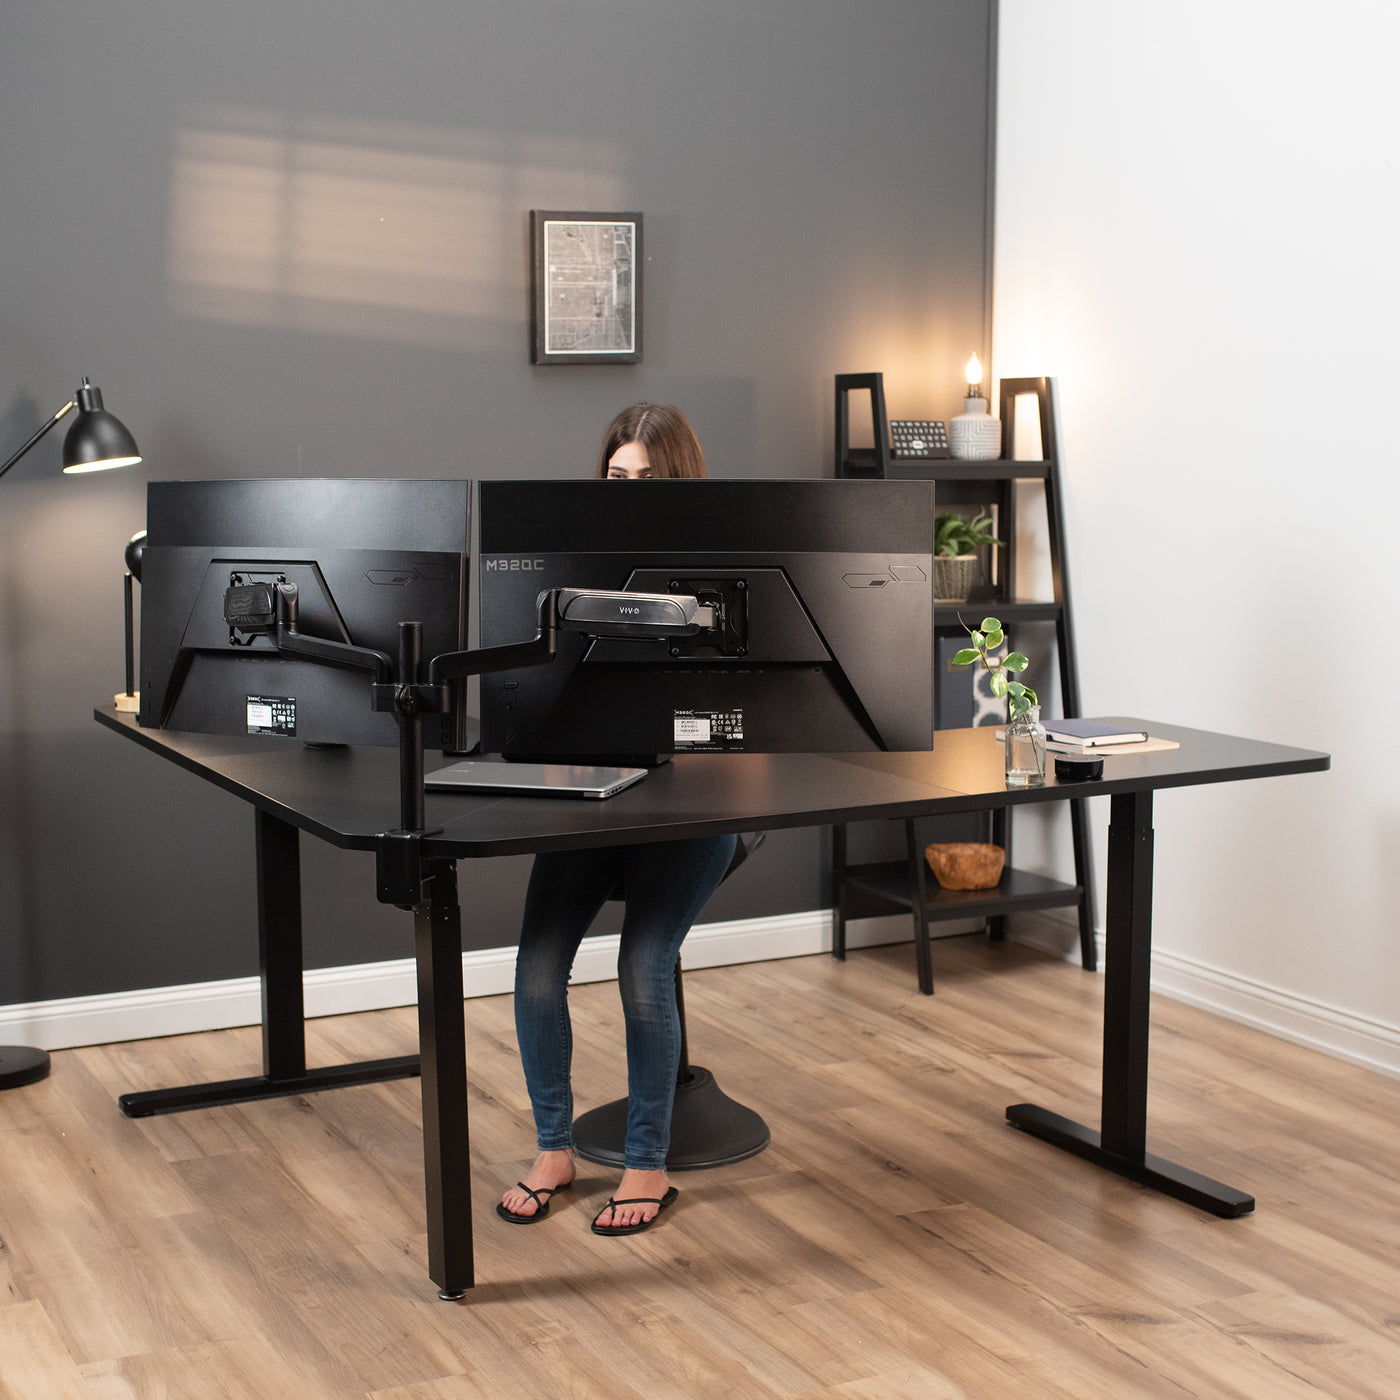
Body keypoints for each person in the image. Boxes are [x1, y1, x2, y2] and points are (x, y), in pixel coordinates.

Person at [497, 403, 737, 1236]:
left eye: (649, 479)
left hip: (698, 802)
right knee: (534, 970)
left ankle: (646, 1164)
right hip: (593, 790)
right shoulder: (570, 564)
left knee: (643, 965)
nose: (629, 493)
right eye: (616, 477)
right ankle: (554, 1150)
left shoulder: (727, 569)